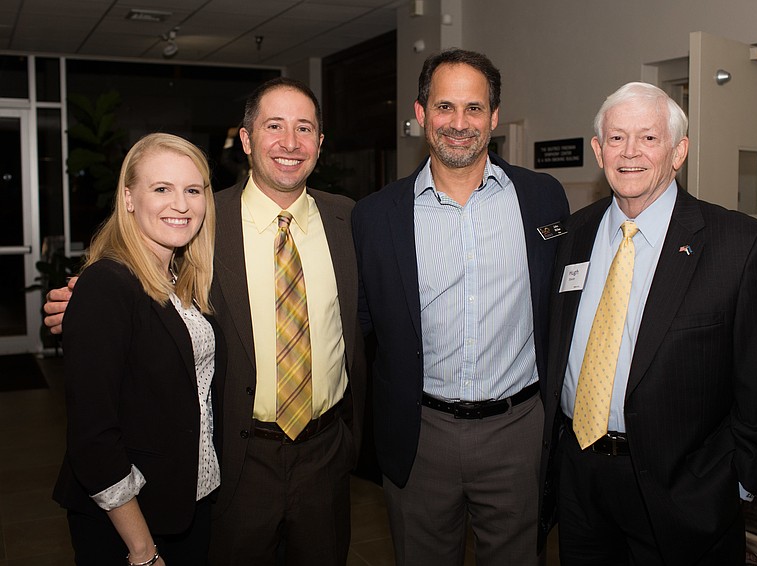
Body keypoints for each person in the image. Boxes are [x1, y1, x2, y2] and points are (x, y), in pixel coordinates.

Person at [45, 78, 366, 566]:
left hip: (325, 456)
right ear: (245, 139)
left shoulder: (350, 220)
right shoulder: (204, 220)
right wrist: (79, 299)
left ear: (320, 144)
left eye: (305, 128)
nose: (289, 142)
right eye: (273, 126)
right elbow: (134, 285)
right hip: (239, 460)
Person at [543, 82, 757, 565]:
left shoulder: (739, 247)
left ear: (678, 152)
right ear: (598, 150)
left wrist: (734, 487)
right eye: (616, 138)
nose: (630, 152)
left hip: (685, 494)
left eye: (648, 138)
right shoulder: (572, 236)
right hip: (580, 481)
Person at [352, 49, 569, 565]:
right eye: (444, 107)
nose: (459, 123)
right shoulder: (376, 216)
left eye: (474, 109)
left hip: (517, 432)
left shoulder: (542, 198)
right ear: (421, 114)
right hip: (420, 434)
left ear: (494, 117)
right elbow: (355, 327)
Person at [52, 133, 222, 565]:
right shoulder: (108, 283)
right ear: (128, 198)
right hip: (129, 524)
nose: (181, 205)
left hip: (188, 504)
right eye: (161, 188)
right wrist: (143, 551)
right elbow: (93, 437)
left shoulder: (183, 280)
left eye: (192, 190)